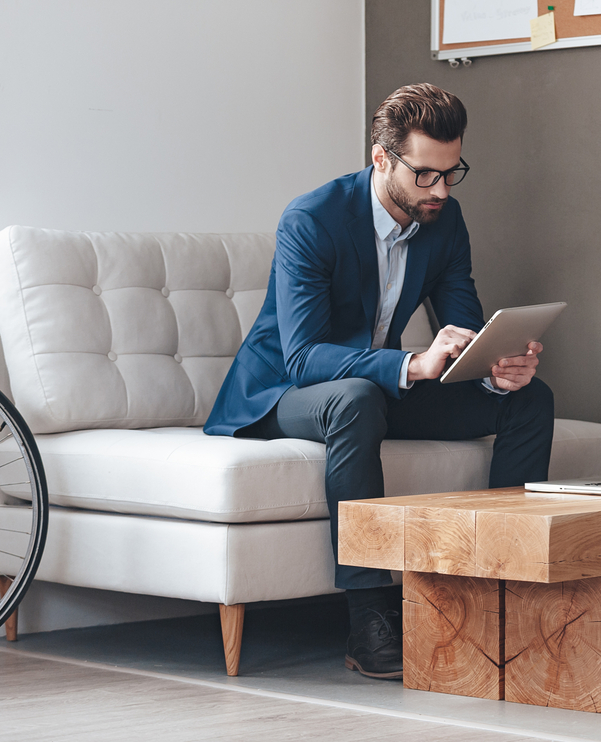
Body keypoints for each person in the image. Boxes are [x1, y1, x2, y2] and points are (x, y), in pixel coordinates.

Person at [204, 83, 554, 679]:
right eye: (425, 175)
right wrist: (410, 365)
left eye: (452, 173)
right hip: (282, 395)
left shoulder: (444, 218)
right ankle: (369, 614)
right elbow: (305, 357)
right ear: (381, 159)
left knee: (529, 401)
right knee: (358, 399)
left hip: (374, 388)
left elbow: (462, 320)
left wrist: (493, 368)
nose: (440, 189)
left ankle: (503, 592)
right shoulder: (312, 219)